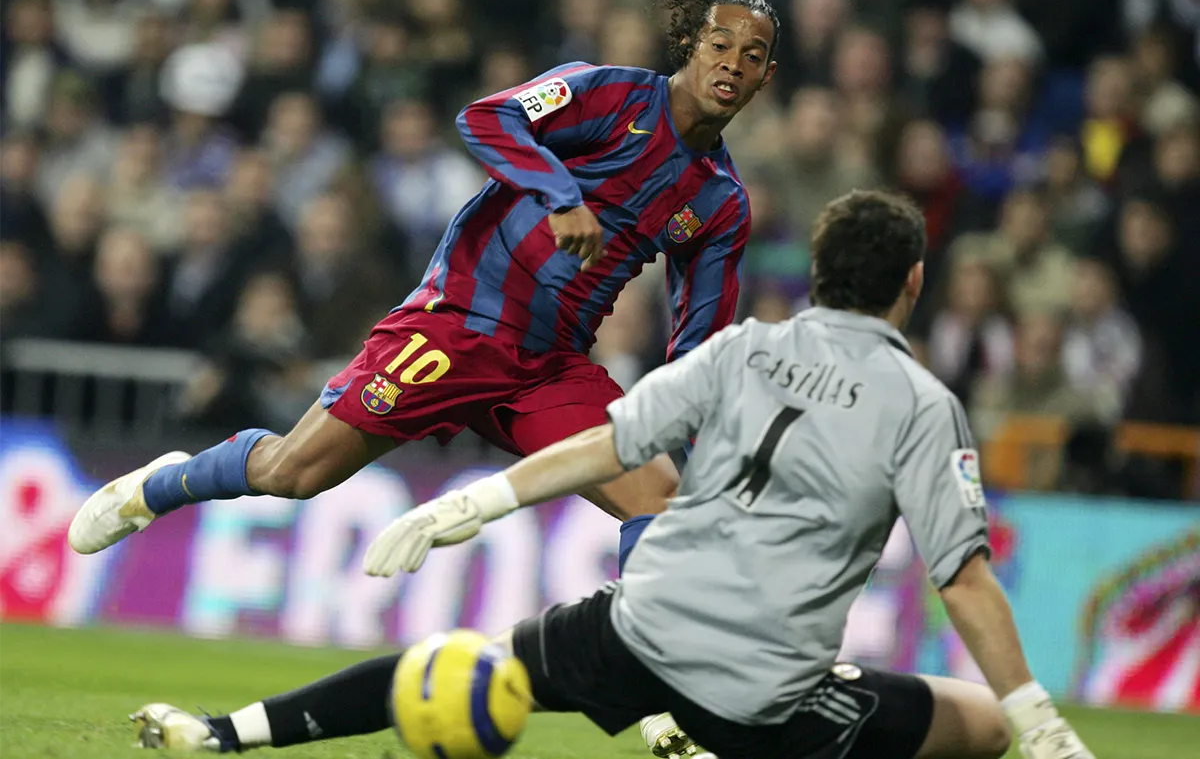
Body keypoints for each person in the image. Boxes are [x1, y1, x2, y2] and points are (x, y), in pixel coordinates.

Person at [68, 0, 778, 754]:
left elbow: (699, 341)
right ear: (691, 44)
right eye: (720, 43)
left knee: (667, 505)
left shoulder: (719, 202)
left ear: (765, 77)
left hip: (549, 372)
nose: (732, 62)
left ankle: (663, 701)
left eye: (752, 55)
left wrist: (697, 435)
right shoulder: (608, 93)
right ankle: (162, 484)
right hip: (453, 328)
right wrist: (557, 193)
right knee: (293, 472)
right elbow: (485, 117)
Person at [127, 192, 1095, 759]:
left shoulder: (741, 351)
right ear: (913, 284)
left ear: (813, 275)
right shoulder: (925, 406)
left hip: (641, 630)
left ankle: (222, 736)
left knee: (462, 663)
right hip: (761, 698)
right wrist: (1033, 712)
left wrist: (475, 500)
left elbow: (608, 444)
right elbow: (961, 577)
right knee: (976, 728)